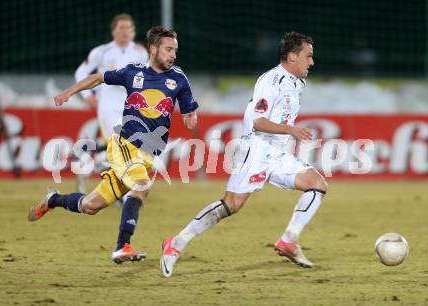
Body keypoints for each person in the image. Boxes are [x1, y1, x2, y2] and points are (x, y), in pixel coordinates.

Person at [160, 32, 327, 278]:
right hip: (257, 148)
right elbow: (258, 122)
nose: (311, 62)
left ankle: (289, 240)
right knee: (232, 204)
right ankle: (176, 243)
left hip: (277, 153)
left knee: (317, 184)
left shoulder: (297, 83)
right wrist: (291, 130)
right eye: (308, 56)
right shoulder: (271, 81)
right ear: (292, 57)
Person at [28, 26, 199, 264]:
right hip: (125, 143)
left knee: (90, 205)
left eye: (175, 50)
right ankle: (122, 246)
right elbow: (98, 78)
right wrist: (69, 92)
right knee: (141, 187)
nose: (173, 54)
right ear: (153, 49)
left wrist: (190, 118)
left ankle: (53, 200)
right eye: (168, 49)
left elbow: (190, 110)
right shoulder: (133, 72)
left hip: (147, 155)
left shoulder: (179, 78)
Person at [74, 13, 149, 193]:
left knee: (124, 148)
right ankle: (122, 193)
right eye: (121, 28)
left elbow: (146, 77)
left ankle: (85, 166)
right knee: (119, 146)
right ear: (113, 31)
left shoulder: (140, 52)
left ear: (133, 32)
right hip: (108, 105)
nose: (125, 32)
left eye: (128, 28)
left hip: (130, 106)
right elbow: (81, 72)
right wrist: (88, 96)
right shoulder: (102, 52)